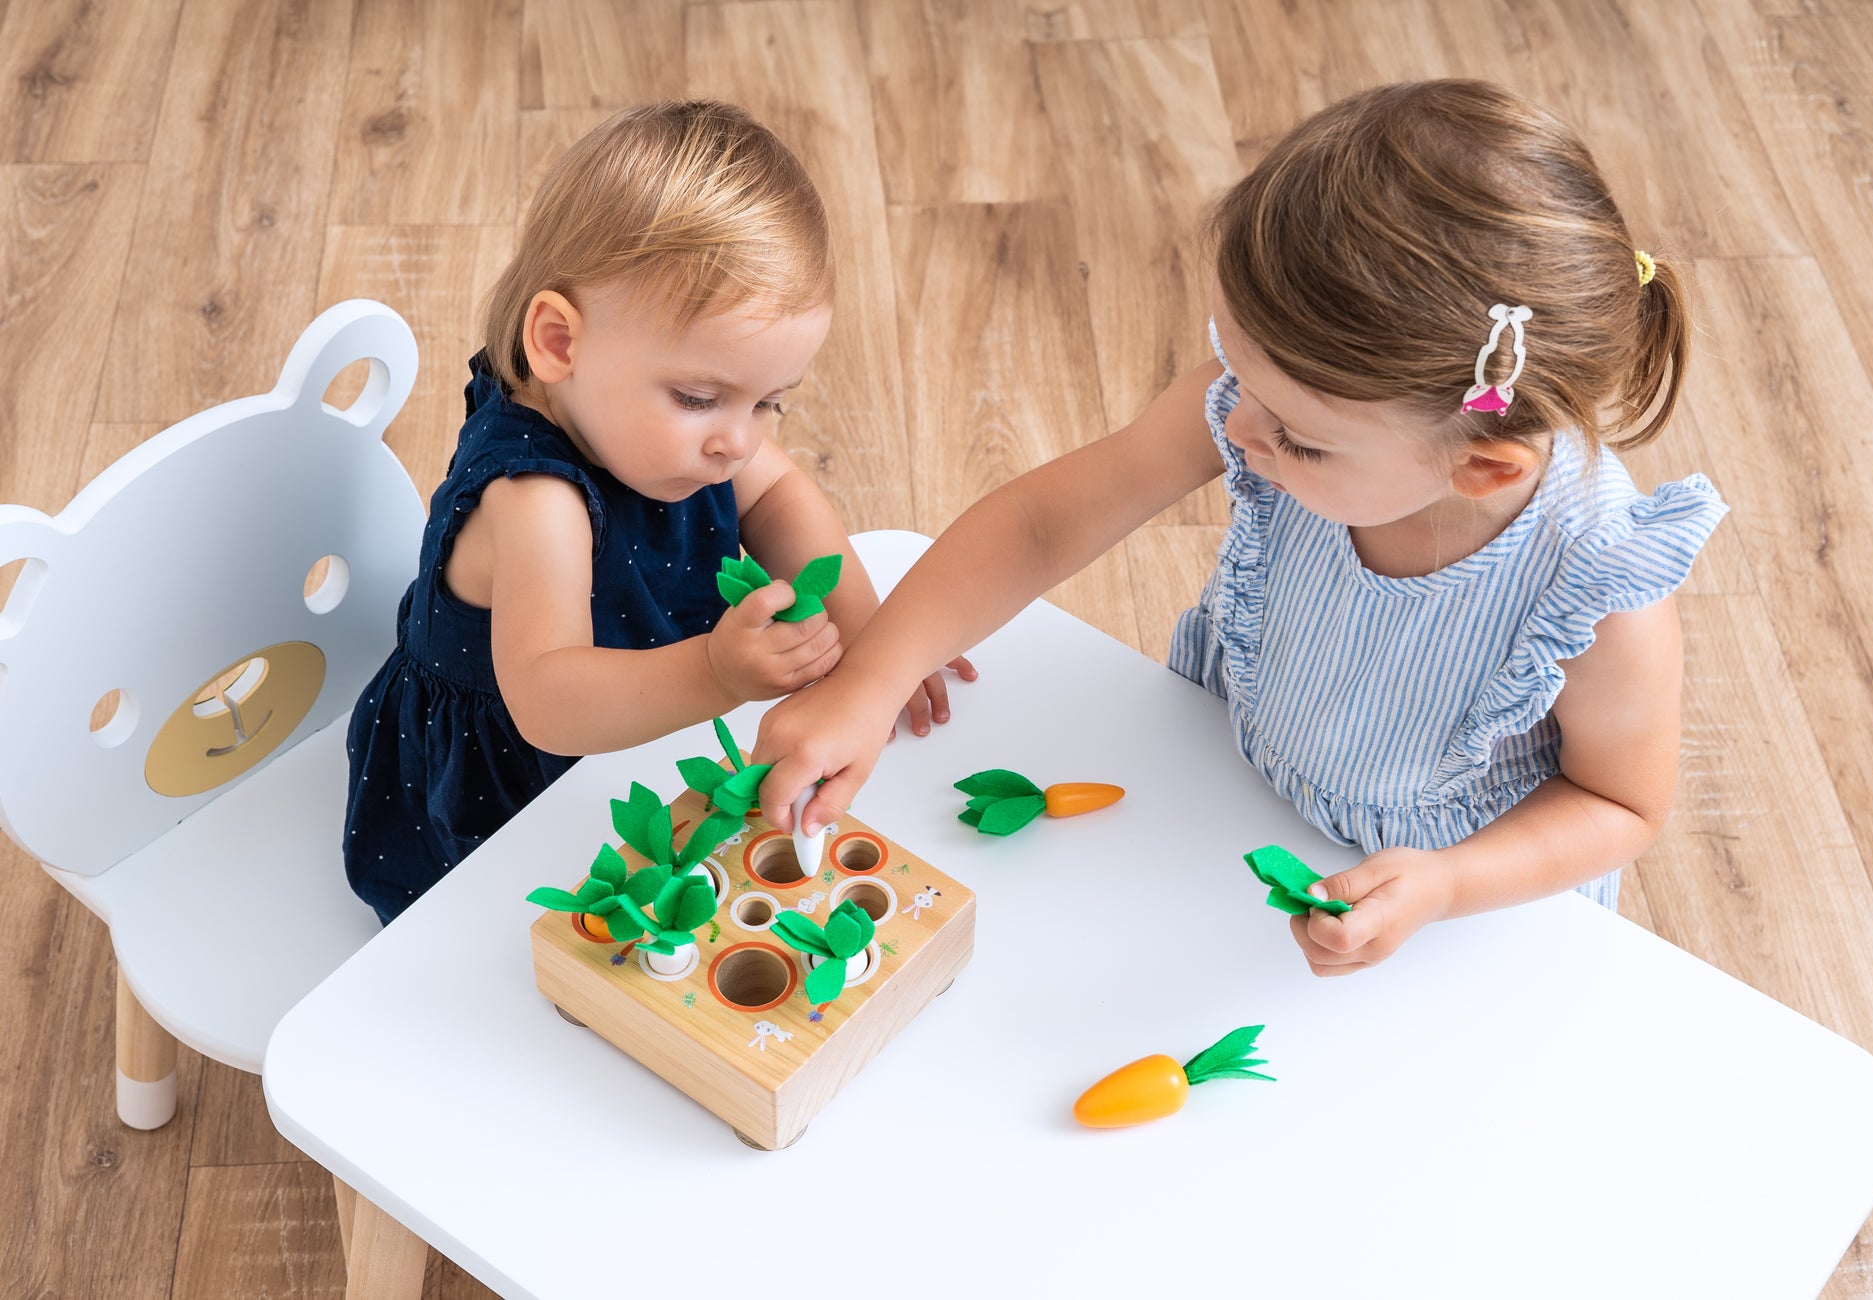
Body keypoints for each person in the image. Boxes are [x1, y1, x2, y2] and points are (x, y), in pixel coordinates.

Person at [754, 80, 1726, 976]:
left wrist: (1444, 885)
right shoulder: (1274, 404)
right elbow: (1041, 525)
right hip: (1220, 781)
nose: (1238, 427)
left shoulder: (1599, 593)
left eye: (1297, 437)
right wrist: (872, 681)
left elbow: (1617, 804)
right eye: (1234, 364)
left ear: (1481, 466)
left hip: (1446, 917)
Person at [342, 101, 971, 924]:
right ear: (559, 344)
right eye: (701, 398)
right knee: (567, 949)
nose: (738, 442)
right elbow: (547, 702)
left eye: (770, 403)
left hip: (645, 720)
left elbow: (780, 494)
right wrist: (715, 672)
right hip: (514, 780)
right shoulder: (537, 501)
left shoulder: (668, 430)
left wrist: (873, 643)